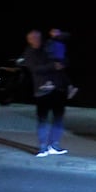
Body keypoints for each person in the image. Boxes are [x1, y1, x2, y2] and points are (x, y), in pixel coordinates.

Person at [20, 29, 71, 157]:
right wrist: (53, 66)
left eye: (39, 37)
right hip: (42, 90)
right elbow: (35, 69)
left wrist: (58, 36)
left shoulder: (48, 47)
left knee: (58, 118)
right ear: (29, 40)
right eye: (34, 38)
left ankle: (54, 145)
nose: (37, 40)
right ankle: (42, 147)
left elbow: (62, 58)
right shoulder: (29, 53)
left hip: (57, 88)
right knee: (42, 119)